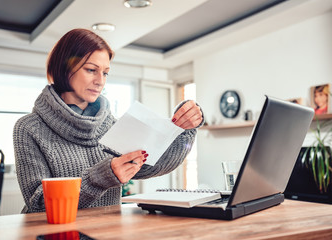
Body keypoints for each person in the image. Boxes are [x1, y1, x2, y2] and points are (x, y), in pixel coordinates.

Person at [13, 28, 204, 213]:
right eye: (91, 70)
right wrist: (101, 177)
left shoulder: (111, 124)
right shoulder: (29, 128)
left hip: (107, 231)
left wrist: (184, 127)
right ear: (64, 68)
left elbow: (150, 166)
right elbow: (38, 204)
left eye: (105, 73)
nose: (100, 81)